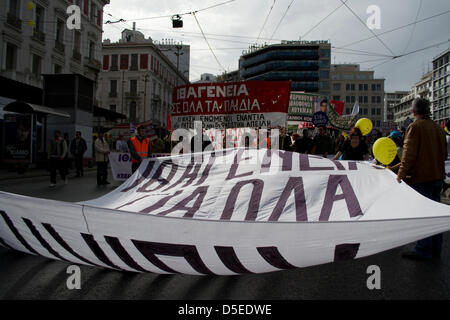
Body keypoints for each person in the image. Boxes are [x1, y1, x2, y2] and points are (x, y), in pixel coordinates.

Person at [397, 98, 448, 261]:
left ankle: (423, 250)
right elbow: (445, 155)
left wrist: (400, 175)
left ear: (413, 112)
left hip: (421, 177)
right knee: (434, 214)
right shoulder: (438, 129)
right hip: (437, 176)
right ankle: (435, 249)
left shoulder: (415, 127)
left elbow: (408, 155)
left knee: (423, 214)